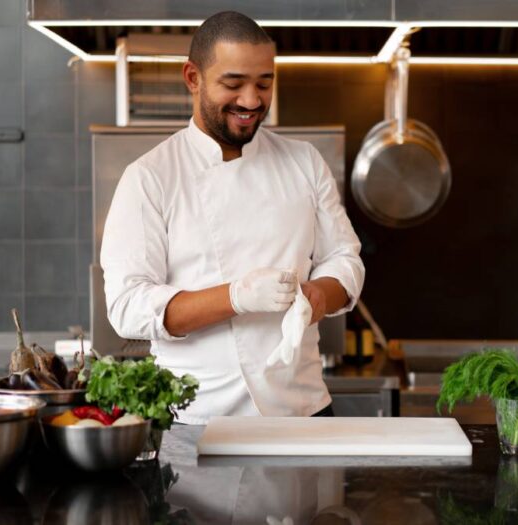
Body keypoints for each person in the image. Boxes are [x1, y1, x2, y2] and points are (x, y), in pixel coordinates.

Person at [101, 11, 364, 423]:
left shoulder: (305, 162)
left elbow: (345, 259)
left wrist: (318, 297)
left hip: (302, 411)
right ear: (193, 78)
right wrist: (235, 297)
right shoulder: (150, 177)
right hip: (196, 418)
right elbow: (127, 306)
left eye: (264, 82)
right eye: (233, 83)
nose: (252, 100)